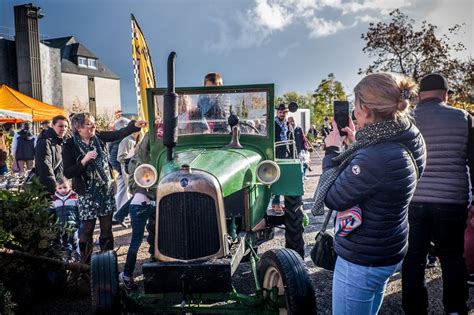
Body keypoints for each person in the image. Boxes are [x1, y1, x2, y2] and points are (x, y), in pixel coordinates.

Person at [312, 72, 426, 314]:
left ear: (365, 110)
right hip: (389, 246)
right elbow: (379, 179)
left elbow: (332, 196)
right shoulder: (409, 135)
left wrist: (332, 151)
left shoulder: (375, 156)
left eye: (355, 107)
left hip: (363, 259)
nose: (353, 114)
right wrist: (356, 143)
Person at [402, 73, 473, 315]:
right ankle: (455, 309)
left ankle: (414, 309)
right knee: (453, 256)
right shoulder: (463, 118)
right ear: (445, 94)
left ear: (420, 94)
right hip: (452, 200)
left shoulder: (406, 119)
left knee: (414, 257)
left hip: (413, 200)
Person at [62, 113, 145, 264]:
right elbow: (68, 172)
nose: (93, 126)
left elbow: (117, 134)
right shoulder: (69, 145)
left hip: (104, 191)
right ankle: (86, 266)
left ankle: (108, 262)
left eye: (93, 123)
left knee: (106, 229)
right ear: (78, 128)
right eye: (88, 124)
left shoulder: (98, 137)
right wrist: (85, 160)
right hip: (86, 193)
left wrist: (134, 126)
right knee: (87, 229)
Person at [119, 132, 157, 290]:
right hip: (141, 206)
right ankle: (126, 274)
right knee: (135, 242)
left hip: (148, 204)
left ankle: (155, 258)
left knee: (153, 235)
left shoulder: (149, 160)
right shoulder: (141, 164)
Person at [34, 115, 70, 195]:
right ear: (53, 126)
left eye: (66, 126)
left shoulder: (64, 141)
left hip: (63, 188)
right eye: (60, 126)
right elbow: (45, 168)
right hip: (51, 190)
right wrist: (54, 190)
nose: (63, 129)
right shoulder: (45, 142)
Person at [50, 177, 80, 261]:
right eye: (60, 188)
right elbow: (51, 212)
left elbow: (79, 211)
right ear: (56, 189)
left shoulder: (74, 198)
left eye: (65, 187)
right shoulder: (55, 200)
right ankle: (68, 260)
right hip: (62, 227)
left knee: (75, 242)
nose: (63, 190)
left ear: (70, 187)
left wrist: (78, 223)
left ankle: (78, 259)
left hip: (73, 225)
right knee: (65, 243)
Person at [110, 111, 131, 211]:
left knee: (123, 191)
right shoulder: (124, 140)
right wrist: (121, 170)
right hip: (120, 169)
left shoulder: (114, 139)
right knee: (122, 191)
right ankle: (118, 211)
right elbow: (115, 158)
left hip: (119, 168)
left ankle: (122, 211)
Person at [272, 103, 290, 212]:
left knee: (284, 177)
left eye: (284, 112)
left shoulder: (286, 124)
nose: (282, 114)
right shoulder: (273, 124)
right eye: (280, 112)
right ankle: (276, 203)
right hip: (276, 153)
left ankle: (278, 202)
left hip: (285, 152)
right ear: (277, 112)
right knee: (277, 177)